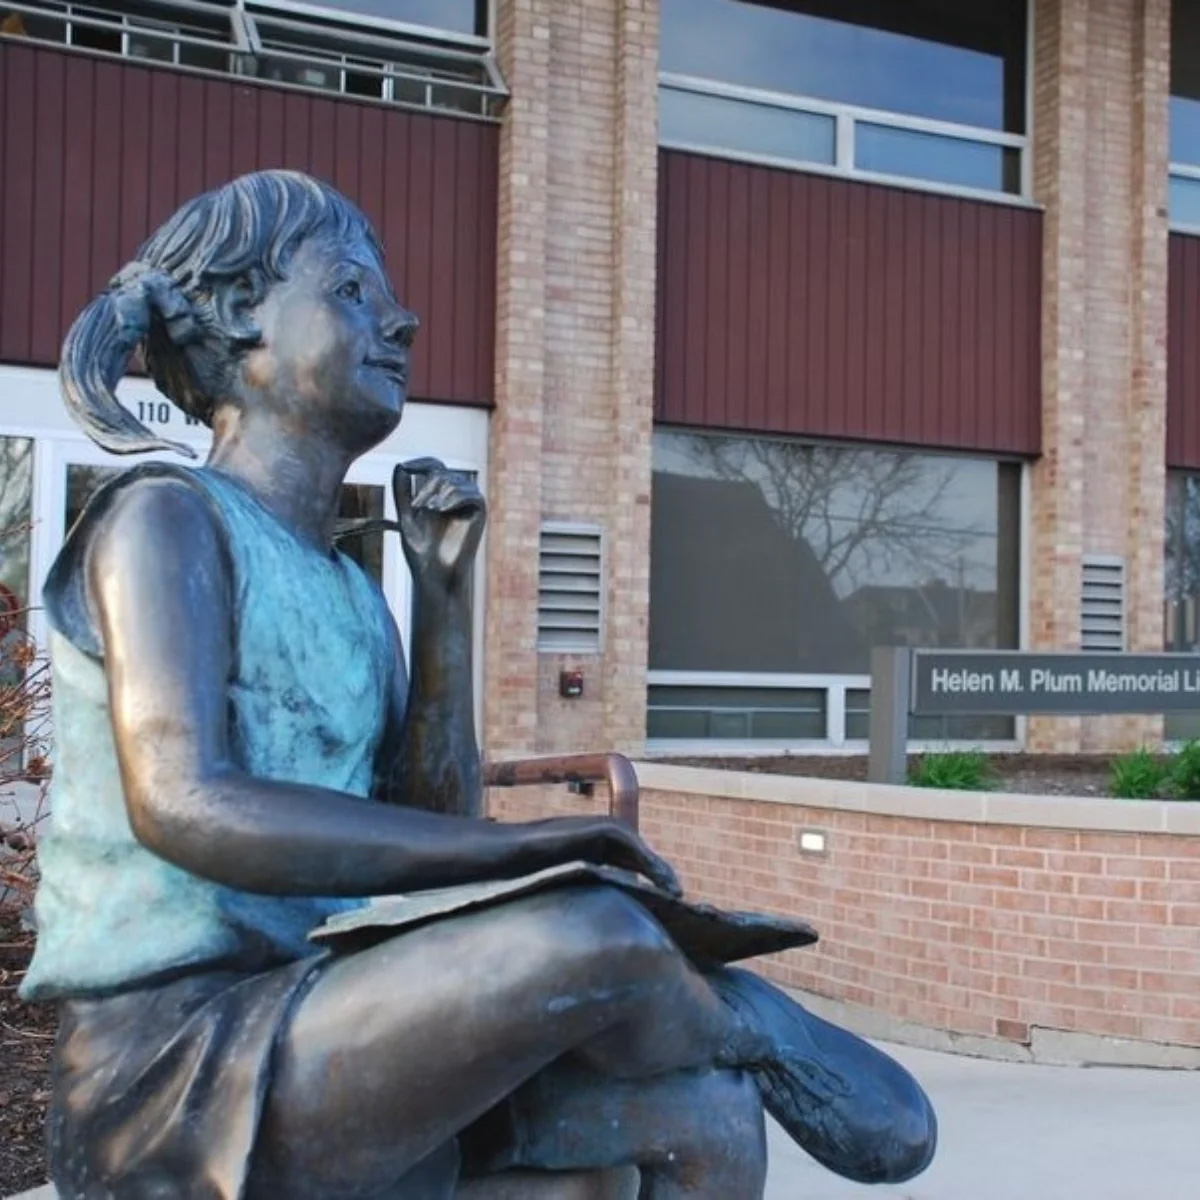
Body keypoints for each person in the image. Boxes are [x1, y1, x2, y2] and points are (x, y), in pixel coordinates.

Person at [22, 170, 935, 1199]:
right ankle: (738, 1013)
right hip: (174, 1075)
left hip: (339, 1019)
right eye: (354, 294)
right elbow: (188, 804)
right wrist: (536, 849)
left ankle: (679, 1001)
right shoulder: (162, 519)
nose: (400, 318)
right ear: (243, 316)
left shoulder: (351, 594)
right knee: (596, 931)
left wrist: (444, 602)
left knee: (705, 1116)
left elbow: (425, 832)